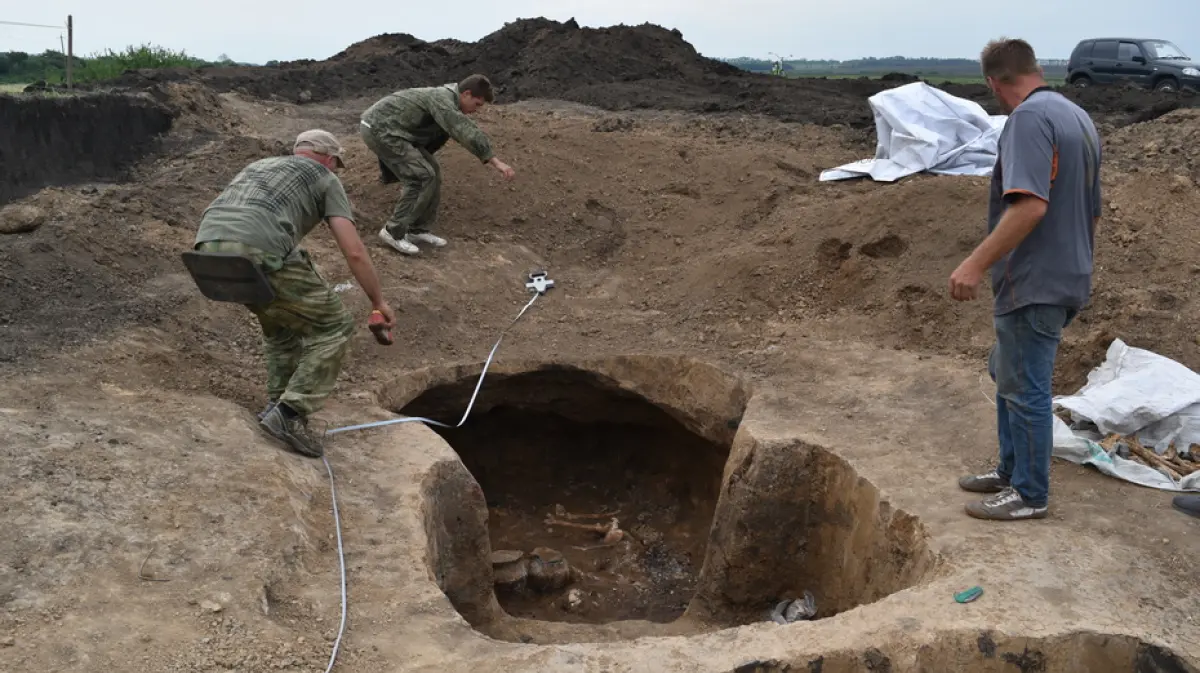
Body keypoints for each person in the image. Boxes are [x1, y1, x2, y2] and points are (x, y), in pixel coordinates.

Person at [949, 38, 1102, 521]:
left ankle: (1030, 494)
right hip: (1067, 272)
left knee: (1025, 386)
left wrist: (974, 264)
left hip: (1034, 279)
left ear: (995, 83)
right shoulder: (1077, 117)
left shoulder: (1029, 121)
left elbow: (1030, 204)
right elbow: (1091, 212)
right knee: (1006, 369)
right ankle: (1010, 469)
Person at [193, 129, 397, 458]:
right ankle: (290, 415)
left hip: (207, 253)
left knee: (279, 325)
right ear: (330, 160)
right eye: (335, 165)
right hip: (258, 252)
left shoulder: (259, 166)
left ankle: (276, 404)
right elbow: (354, 251)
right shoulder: (325, 178)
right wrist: (378, 301)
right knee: (335, 327)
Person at [359, 74, 516, 256]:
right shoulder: (443, 99)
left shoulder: (448, 101)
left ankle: (417, 230)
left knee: (432, 172)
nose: (476, 110)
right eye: (477, 104)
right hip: (380, 128)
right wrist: (495, 161)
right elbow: (462, 128)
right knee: (421, 176)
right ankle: (393, 231)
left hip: (399, 132)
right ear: (466, 94)